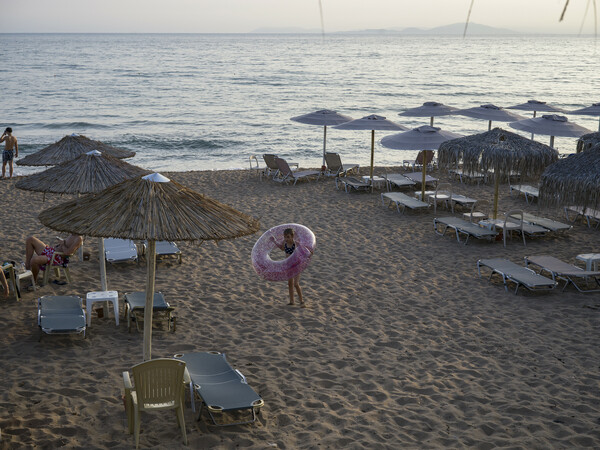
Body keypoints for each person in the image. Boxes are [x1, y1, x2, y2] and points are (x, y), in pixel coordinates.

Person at [272, 228, 313, 307]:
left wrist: (309, 253)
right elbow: (281, 248)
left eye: (288, 237)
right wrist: (274, 241)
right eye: (285, 237)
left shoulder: (296, 244)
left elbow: (304, 250)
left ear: (292, 237)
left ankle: (301, 301)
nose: (286, 239)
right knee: (290, 283)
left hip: (296, 266)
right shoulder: (285, 243)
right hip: (288, 266)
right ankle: (292, 301)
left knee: (296, 284)